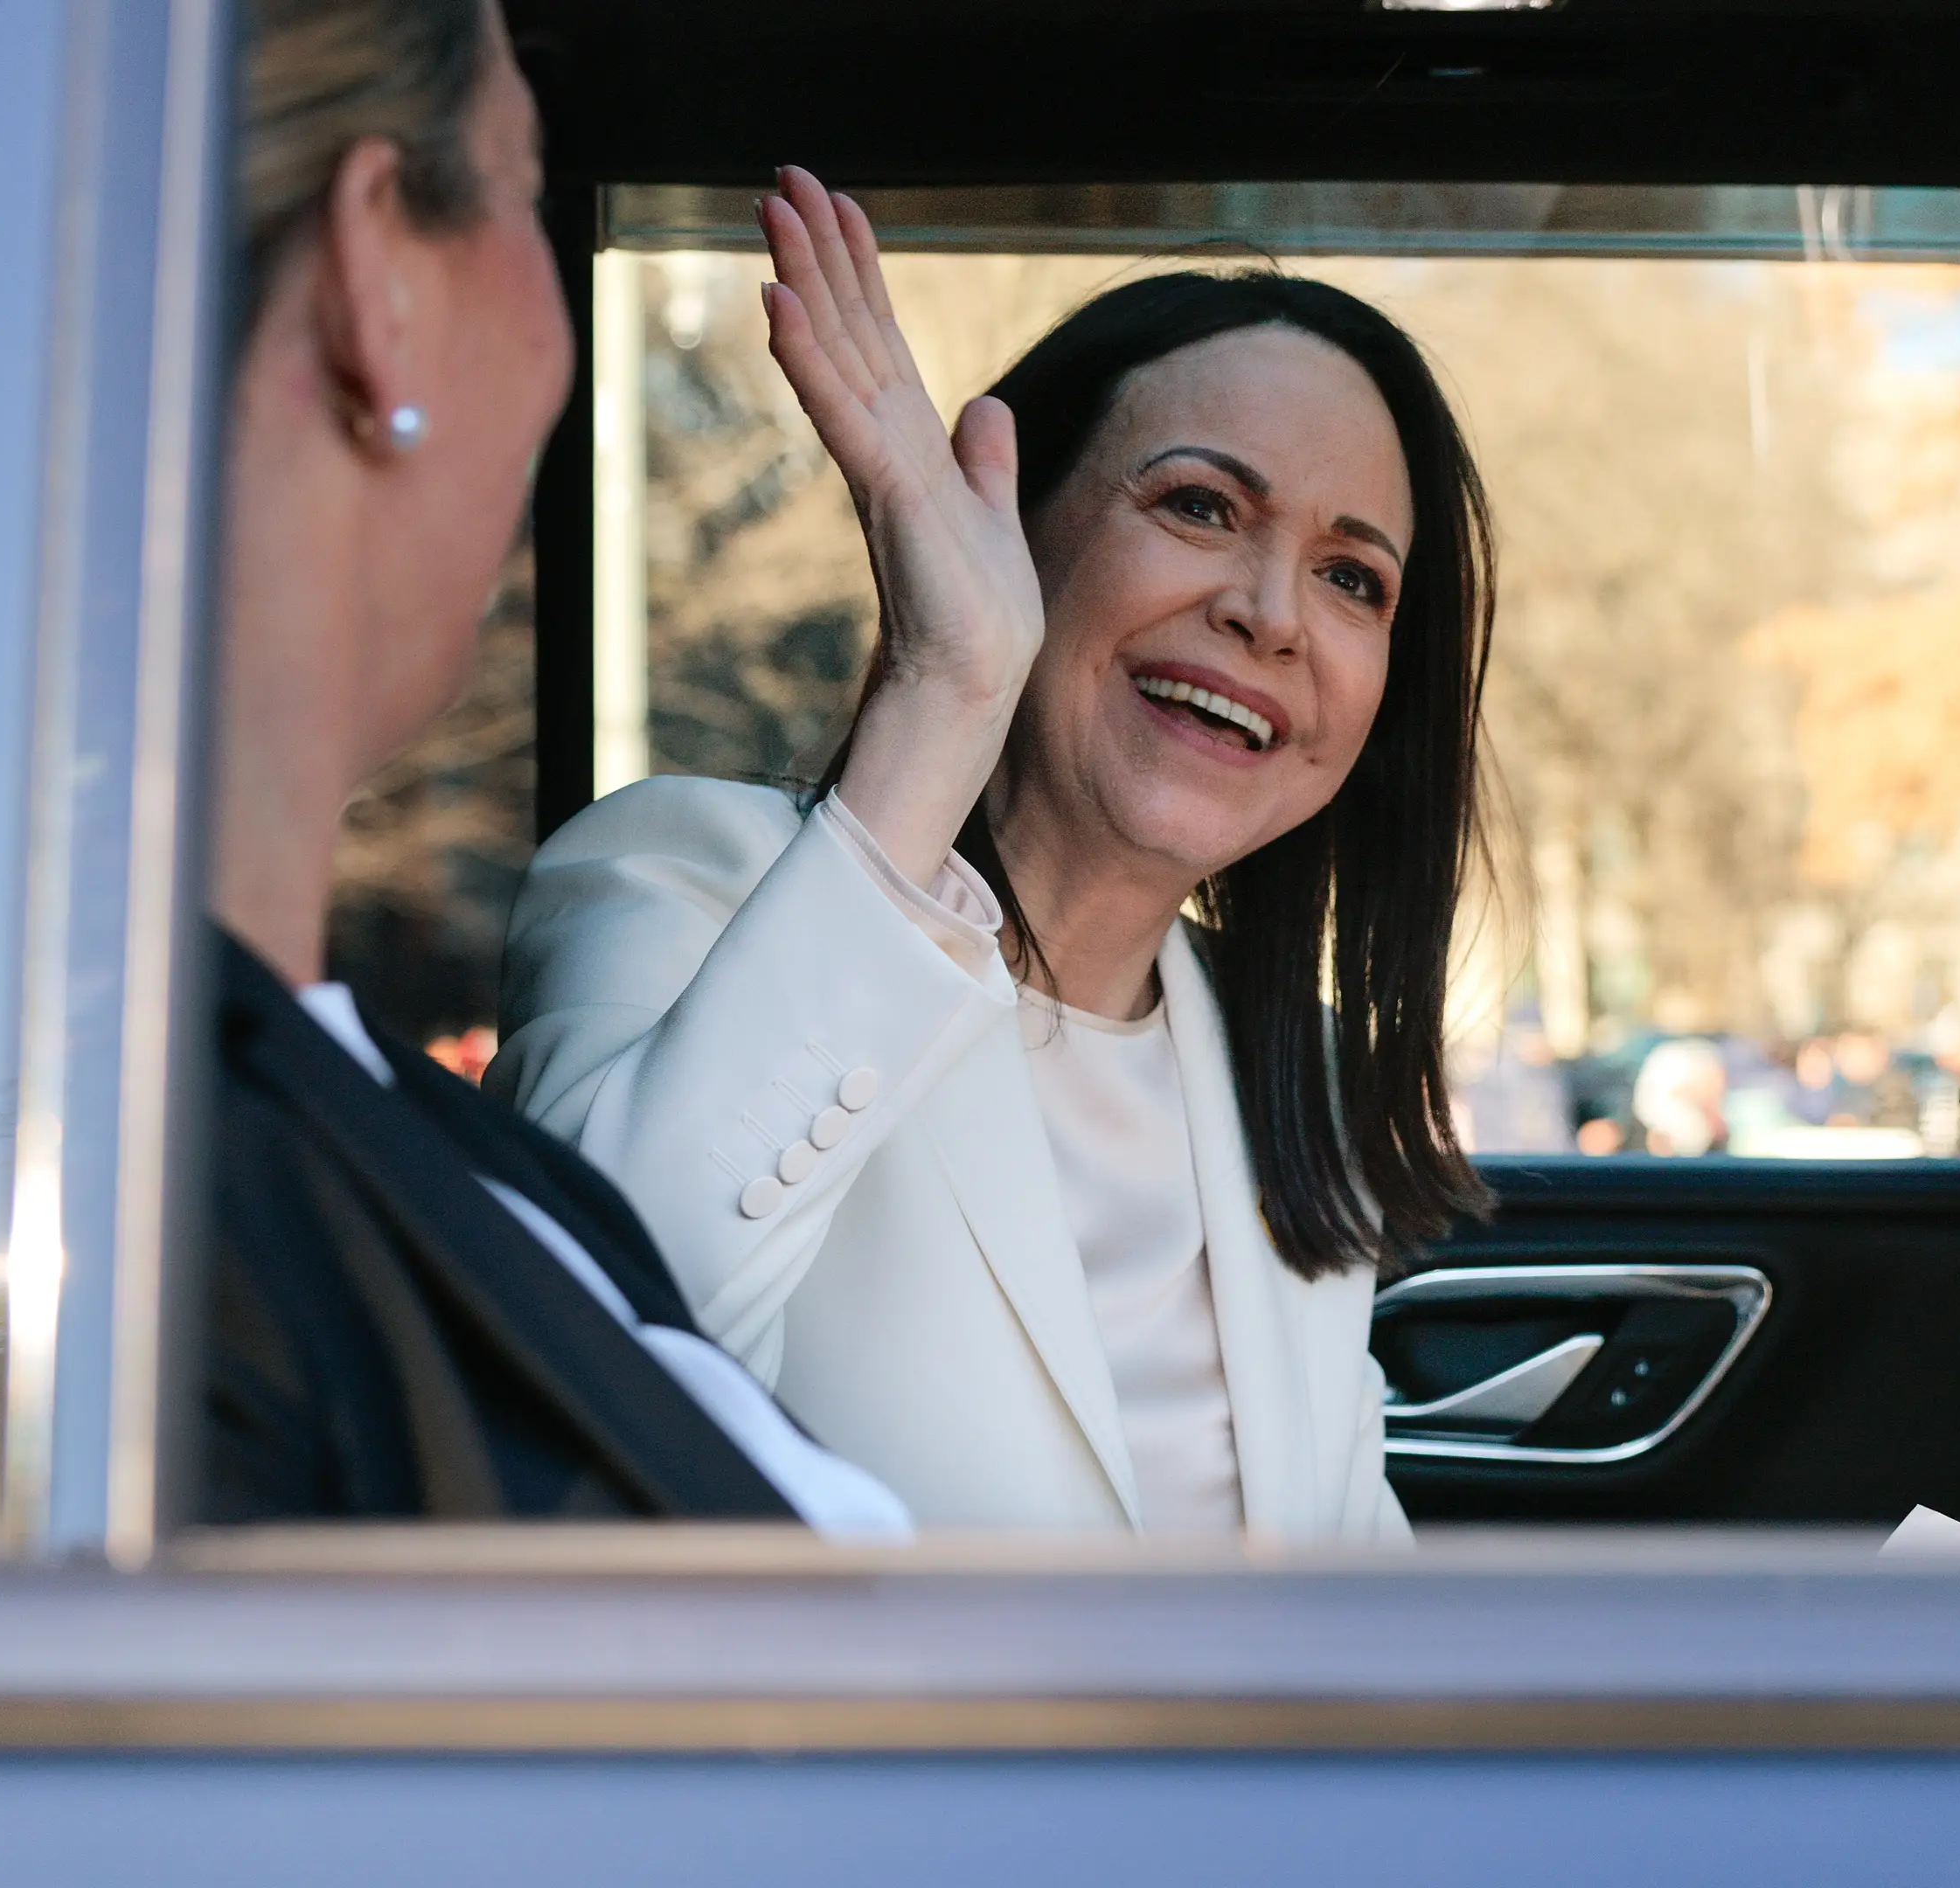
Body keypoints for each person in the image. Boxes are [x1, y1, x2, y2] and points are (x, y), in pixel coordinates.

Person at [490, 172, 1496, 1537]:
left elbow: (1351, 1608)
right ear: (1007, 530)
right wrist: (950, 681)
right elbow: (575, 1361)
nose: (1271, 616)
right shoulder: (680, 884)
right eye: (1201, 507)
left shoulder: (1288, 1070)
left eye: (1352, 578)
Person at [195, 0, 904, 1537]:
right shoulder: (182, 1224)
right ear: (379, 269)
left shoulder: (320, 1113)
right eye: (528, 191)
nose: (559, 343)